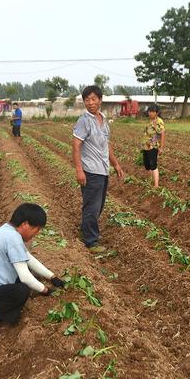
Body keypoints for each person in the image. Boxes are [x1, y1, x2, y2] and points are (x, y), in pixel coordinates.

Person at [0, 203, 65, 335]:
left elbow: (29, 259)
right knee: (22, 290)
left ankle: (4, 314)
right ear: (25, 224)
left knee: (25, 280)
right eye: (37, 229)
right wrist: (46, 290)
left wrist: (52, 277)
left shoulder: (8, 232)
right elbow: (25, 277)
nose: (37, 234)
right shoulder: (12, 238)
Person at [72, 85, 124, 254]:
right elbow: (76, 145)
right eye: (87, 100)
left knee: (98, 206)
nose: (90, 102)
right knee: (92, 207)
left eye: (93, 99)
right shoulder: (84, 121)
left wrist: (115, 164)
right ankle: (91, 241)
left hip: (102, 170)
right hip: (90, 171)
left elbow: (106, 145)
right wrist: (79, 170)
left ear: (100, 100)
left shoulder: (103, 119)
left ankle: (86, 230)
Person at [142, 104, 166, 187]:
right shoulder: (149, 121)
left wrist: (162, 148)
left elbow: (162, 134)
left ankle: (156, 185)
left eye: (152, 112)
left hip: (153, 146)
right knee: (147, 165)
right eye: (149, 111)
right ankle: (149, 181)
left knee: (153, 165)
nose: (150, 113)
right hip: (146, 146)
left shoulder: (159, 121)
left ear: (157, 113)